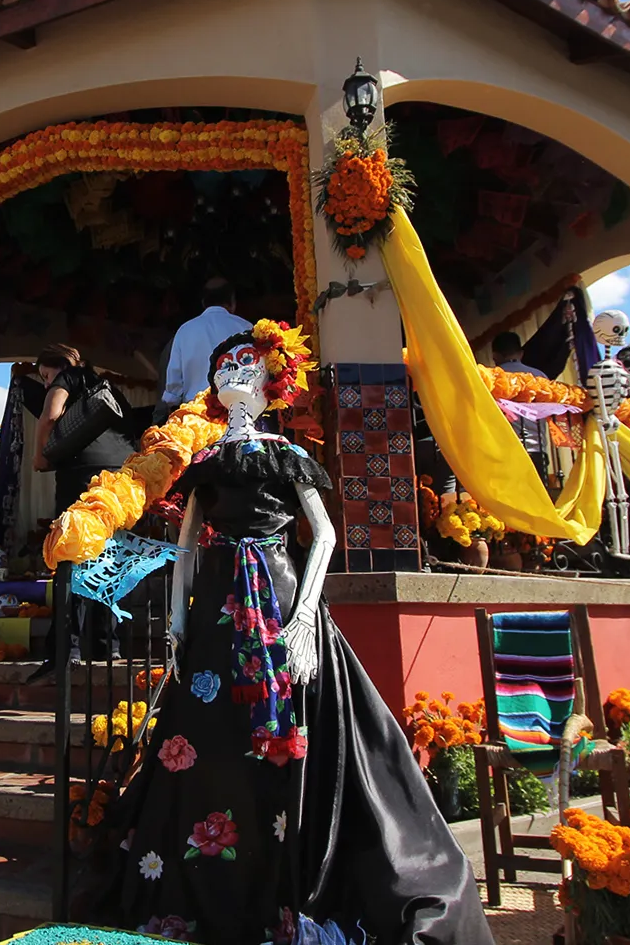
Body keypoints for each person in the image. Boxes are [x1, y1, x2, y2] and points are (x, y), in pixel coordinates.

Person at [105, 325, 492, 945]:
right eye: (224, 365)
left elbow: (326, 535)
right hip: (215, 610)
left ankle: (291, 873)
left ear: (271, 380)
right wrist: (177, 622)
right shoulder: (204, 464)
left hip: (282, 600)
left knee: (289, 726)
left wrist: (308, 612)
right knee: (207, 738)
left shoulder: (288, 455)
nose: (233, 373)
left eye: (246, 363)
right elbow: (185, 549)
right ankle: (202, 878)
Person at [35, 343, 136, 664]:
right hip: (118, 481)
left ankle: (69, 646)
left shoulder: (68, 379)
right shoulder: (108, 387)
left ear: (58, 367)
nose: (47, 382)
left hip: (81, 477)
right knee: (111, 558)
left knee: (73, 555)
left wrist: (41, 456)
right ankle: (109, 644)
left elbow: (50, 417)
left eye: (46, 375)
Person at [156, 278, 252, 422]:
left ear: (203, 302)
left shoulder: (185, 330)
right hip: (240, 419)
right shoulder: (246, 328)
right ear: (232, 302)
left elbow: (173, 390)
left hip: (196, 421)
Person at [492, 330, 551, 482]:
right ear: (521, 353)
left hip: (504, 452)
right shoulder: (539, 376)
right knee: (540, 501)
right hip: (537, 448)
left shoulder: (490, 377)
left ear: (495, 356)